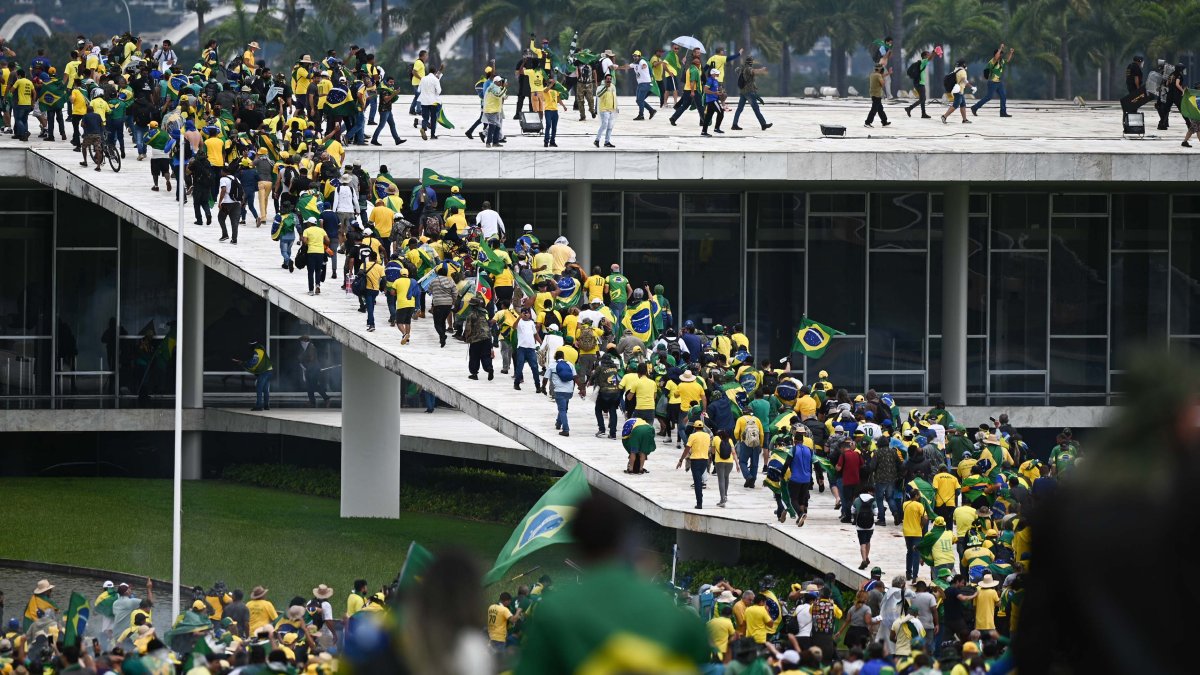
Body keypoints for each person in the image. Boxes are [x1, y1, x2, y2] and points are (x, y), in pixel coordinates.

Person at [972, 44, 1015, 117]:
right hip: (992, 82)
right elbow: (996, 56)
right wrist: (1000, 48)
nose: (1001, 56)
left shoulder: (1001, 61)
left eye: (1001, 54)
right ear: (996, 54)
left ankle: (1003, 112)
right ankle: (975, 107)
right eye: (1000, 54)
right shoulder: (992, 61)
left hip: (999, 83)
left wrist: (1011, 52)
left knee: (1003, 96)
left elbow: (1008, 60)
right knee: (988, 97)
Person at [731, 56, 771, 131]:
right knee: (756, 109)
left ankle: (734, 124)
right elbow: (754, 71)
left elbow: (736, 70)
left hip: (743, 92)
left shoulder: (741, 69)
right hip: (749, 92)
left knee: (739, 109)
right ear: (751, 63)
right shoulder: (748, 69)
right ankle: (763, 124)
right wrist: (762, 70)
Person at [678, 420, 711, 509]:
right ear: (702, 427)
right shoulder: (707, 436)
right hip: (705, 461)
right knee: (699, 480)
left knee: (697, 482)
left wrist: (681, 460)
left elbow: (687, 449)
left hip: (695, 461)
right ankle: (700, 498)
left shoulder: (693, 436)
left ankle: (699, 503)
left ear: (695, 428)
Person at [513, 307, 543, 393]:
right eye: (524, 313)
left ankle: (538, 386)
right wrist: (519, 317)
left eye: (527, 313)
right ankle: (516, 383)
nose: (526, 314)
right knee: (520, 366)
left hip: (531, 349)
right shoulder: (519, 322)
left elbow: (535, 334)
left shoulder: (531, 323)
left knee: (534, 367)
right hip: (521, 348)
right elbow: (513, 326)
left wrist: (541, 343)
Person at [902, 488, 929, 581]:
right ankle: (915, 575)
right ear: (916, 496)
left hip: (906, 531)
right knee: (916, 554)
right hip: (917, 532)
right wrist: (922, 525)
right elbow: (925, 518)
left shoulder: (905, 504)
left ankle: (908, 573)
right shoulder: (919, 505)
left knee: (909, 552)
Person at [298, 334, 331, 407]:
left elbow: (311, 359)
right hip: (310, 370)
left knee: (314, 386)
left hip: (313, 370)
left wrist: (303, 361)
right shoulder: (307, 348)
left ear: (305, 341)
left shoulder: (311, 347)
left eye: (301, 342)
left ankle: (326, 398)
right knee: (310, 386)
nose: (301, 343)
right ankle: (312, 401)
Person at [239, 341, 273, 411]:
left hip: (264, 371)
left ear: (253, 346)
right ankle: (266, 405)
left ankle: (259, 406)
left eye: (250, 345)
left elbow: (254, 362)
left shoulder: (257, 351)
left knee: (259, 388)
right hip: (269, 370)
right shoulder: (262, 350)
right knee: (265, 389)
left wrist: (245, 363)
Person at [428, 266, 457, 348]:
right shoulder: (450, 280)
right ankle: (442, 338)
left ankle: (442, 335)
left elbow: (429, 291)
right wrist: (453, 301)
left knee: (437, 323)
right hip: (448, 304)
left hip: (438, 304)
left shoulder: (434, 281)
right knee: (443, 321)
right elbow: (455, 292)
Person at [300, 217, 329, 296]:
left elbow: (305, 241)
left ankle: (311, 290)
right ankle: (318, 285)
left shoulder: (307, 230)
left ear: (309, 223)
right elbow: (328, 241)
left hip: (311, 252)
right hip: (320, 252)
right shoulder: (321, 230)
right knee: (318, 270)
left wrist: (307, 241)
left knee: (310, 272)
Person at [851, 484, 877, 569]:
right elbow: (876, 512)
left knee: (862, 543)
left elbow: (852, 510)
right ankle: (867, 557)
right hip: (870, 525)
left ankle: (864, 560)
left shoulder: (857, 500)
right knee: (867, 541)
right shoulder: (873, 500)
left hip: (860, 525)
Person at [940, 60, 973, 124]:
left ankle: (964, 119)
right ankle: (944, 116)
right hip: (959, 91)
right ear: (963, 65)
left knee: (963, 105)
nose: (966, 65)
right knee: (956, 105)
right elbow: (964, 80)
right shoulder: (962, 71)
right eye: (965, 64)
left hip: (957, 90)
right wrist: (972, 87)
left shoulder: (956, 70)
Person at [417, 66, 442, 140]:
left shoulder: (423, 78)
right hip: (433, 101)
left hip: (423, 101)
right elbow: (439, 91)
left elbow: (419, 90)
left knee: (425, 118)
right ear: (434, 72)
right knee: (433, 119)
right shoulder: (435, 79)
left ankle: (423, 128)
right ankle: (432, 135)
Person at [630, 50, 656, 120]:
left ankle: (641, 115)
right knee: (638, 100)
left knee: (640, 100)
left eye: (636, 56)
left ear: (639, 56)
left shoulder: (642, 61)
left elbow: (644, 65)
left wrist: (643, 66)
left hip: (645, 83)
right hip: (641, 84)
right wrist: (618, 67)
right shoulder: (635, 63)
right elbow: (628, 66)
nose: (634, 57)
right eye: (634, 56)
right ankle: (651, 110)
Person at [905, 51, 932, 118]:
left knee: (922, 98)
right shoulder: (923, 62)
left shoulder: (921, 62)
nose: (929, 56)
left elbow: (930, 58)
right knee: (922, 99)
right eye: (928, 55)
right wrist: (934, 52)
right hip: (919, 83)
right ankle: (909, 108)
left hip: (919, 83)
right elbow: (930, 58)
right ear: (925, 56)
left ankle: (923, 114)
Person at [593, 72, 616, 148]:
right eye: (608, 79)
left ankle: (607, 142)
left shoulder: (613, 87)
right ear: (605, 80)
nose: (609, 80)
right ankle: (597, 140)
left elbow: (614, 98)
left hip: (611, 110)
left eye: (610, 79)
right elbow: (598, 95)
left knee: (610, 127)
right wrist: (605, 88)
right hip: (604, 110)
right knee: (604, 124)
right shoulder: (600, 87)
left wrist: (615, 108)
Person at [700, 68, 724, 136]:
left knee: (708, 116)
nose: (718, 74)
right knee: (721, 112)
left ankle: (704, 131)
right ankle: (716, 128)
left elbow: (716, 90)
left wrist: (720, 92)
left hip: (713, 99)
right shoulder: (710, 80)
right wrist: (714, 93)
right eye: (717, 73)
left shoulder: (715, 80)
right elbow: (705, 90)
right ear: (713, 74)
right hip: (712, 100)